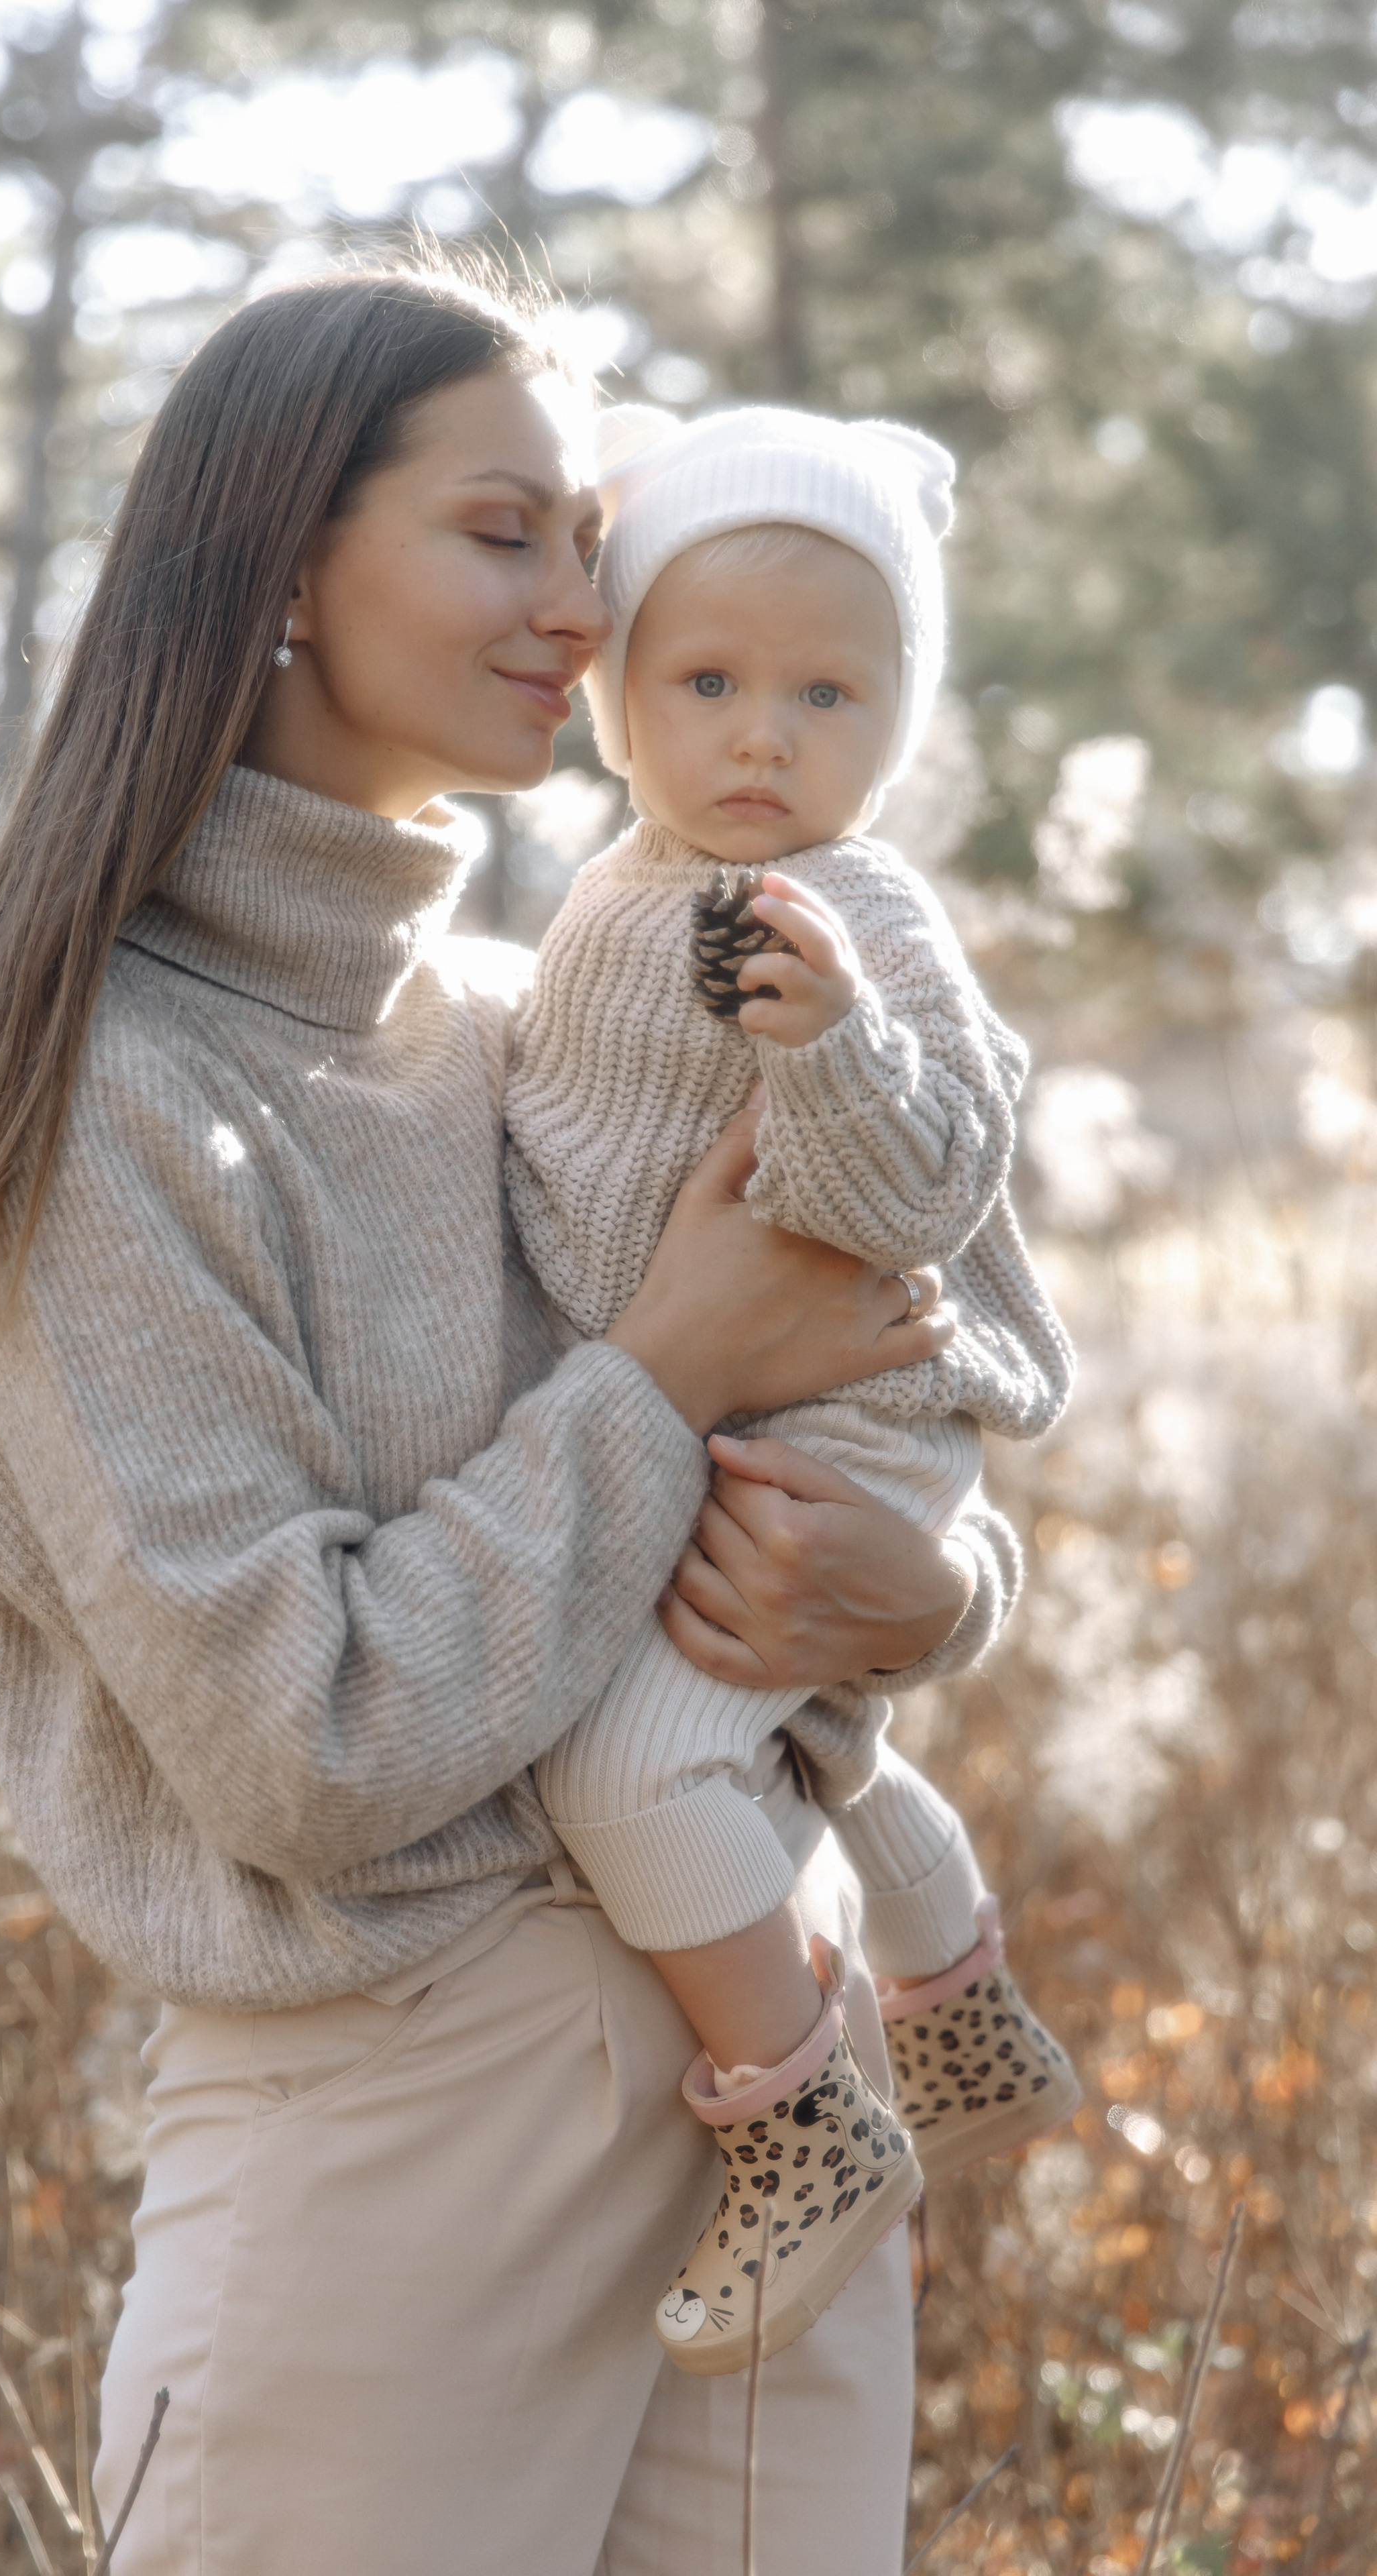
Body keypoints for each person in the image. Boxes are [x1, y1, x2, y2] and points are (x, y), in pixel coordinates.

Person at [0, 264, 1026, 2575]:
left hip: (776, 2103)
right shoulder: (111, 1090)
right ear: (289, 557)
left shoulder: (565, 1011)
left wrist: (939, 1593)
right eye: (507, 532)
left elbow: (919, 1354)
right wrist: (662, 1370)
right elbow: (302, 1746)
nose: (583, 601)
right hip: (399, 2135)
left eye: (589, 538)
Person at [507, 401, 1081, 2376]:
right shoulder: (606, 898)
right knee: (798, 1732)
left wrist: (832, 1042)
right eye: (712, 679)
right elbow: (570, 1159)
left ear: (898, 722)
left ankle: (807, 2107)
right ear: (619, 698)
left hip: (844, 1422)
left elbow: (923, 1188)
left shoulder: (863, 918)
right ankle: (963, 1994)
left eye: (830, 692)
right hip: (702, 1407)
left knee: (626, 1762)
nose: (766, 735)